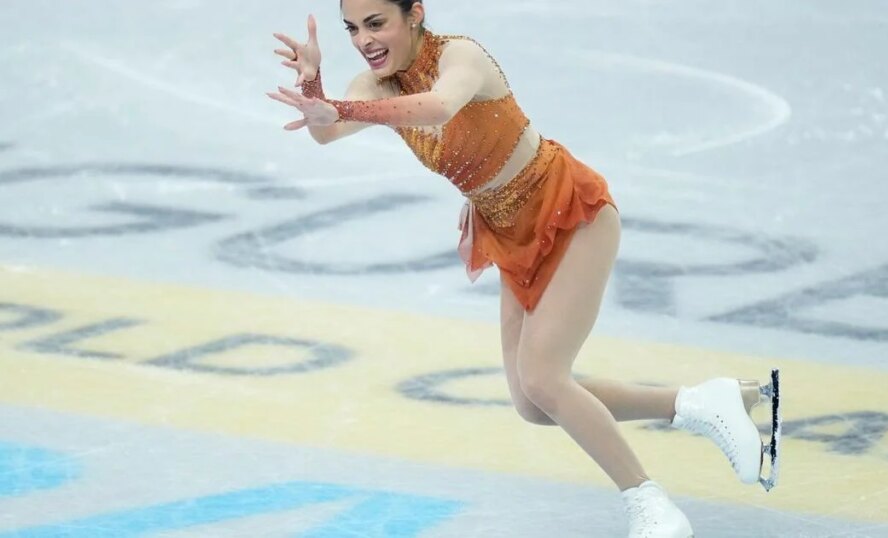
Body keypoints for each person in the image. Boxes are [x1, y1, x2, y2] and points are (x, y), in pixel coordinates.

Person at [267, 1, 780, 536]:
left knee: (543, 377)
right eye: (352, 29)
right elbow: (326, 131)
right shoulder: (375, 86)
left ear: (414, 14)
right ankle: (702, 403)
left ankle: (649, 503)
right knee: (533, 402)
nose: (364, 41)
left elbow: (439, 107)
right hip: (507, 232)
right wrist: (314, 88)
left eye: (377, 24)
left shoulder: (461, 56)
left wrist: (340, 107)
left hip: (571, 212)